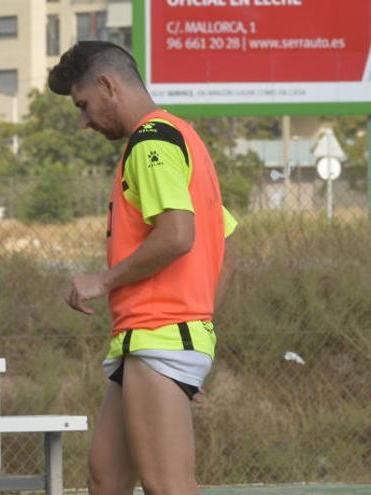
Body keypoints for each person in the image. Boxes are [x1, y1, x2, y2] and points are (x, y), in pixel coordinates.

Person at [48, 41, 238, 495]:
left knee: (167, 486)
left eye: (84, 105)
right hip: (154, 337)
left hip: (160, 335)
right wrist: (200, 332)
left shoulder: (152, 142)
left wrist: (104, 281)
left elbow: (177, 235)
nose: (84, 121)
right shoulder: (176, 135)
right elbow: (226, 240)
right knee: (106, 478)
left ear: (108, 85)